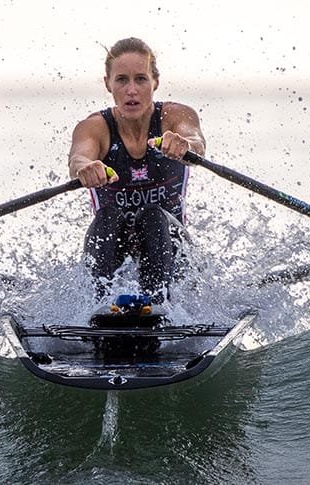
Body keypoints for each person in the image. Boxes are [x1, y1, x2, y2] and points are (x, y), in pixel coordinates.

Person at [67, 37, 206, 304]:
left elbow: (197, 144)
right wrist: (86, 168)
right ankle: (101, 305)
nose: (132, 90)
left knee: (153, 217)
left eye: (141, 79)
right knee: (108, 217)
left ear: (155, 81)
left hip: (171, 250)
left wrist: (184, 145)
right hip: (113, 247)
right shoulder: (95, 127)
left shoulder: (176, 117)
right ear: (108, 84)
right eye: (122, 80)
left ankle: (157, 304)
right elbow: (78, 158)